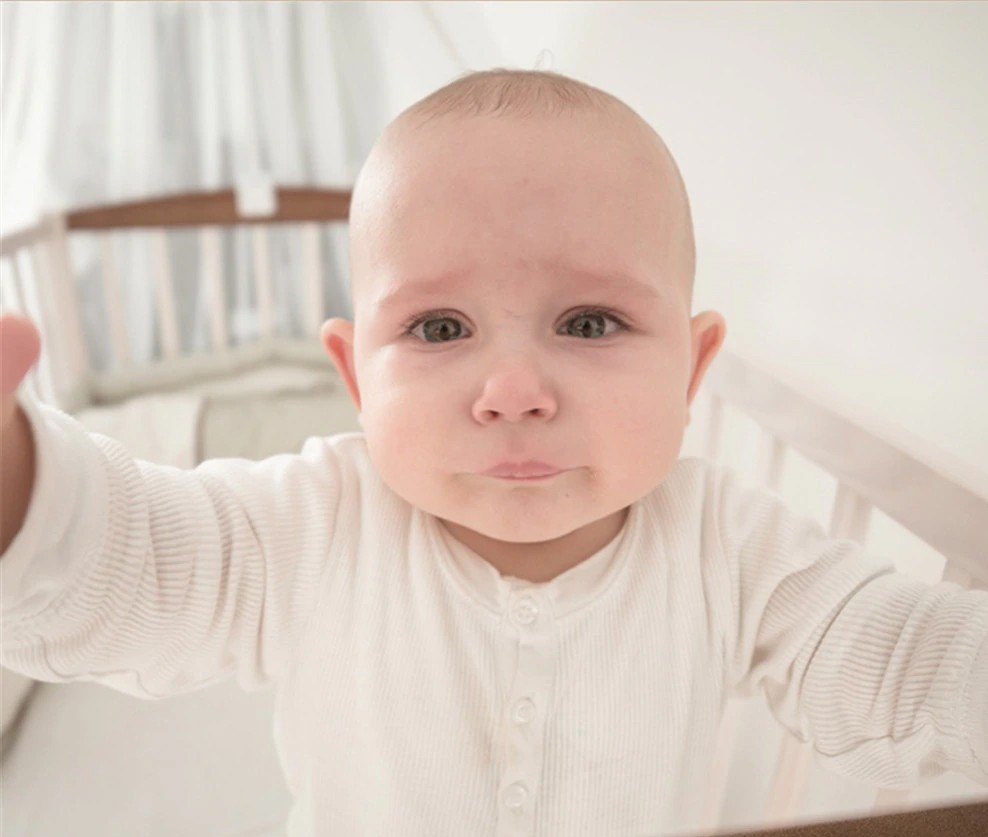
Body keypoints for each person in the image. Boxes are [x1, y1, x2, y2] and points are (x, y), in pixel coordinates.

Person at [1, 70, 985, 837]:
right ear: (355, 377)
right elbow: (129, 562)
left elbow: (914, 662)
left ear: (692, 369)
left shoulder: (733, 544)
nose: (512, 390)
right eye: (438, 329)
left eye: (589, 321)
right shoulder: (312, 525)